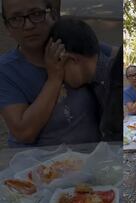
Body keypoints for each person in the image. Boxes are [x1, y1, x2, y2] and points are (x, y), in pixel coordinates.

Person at [0, 0, 106, 146]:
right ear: (8, 27)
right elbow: (24, 133)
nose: (29, 25)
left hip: (93, 159)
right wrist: (54, 79)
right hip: (38, 164)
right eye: (16, 19)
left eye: (36, 14)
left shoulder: (73, 43)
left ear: (53, 15)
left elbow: (112, 56)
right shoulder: (6, 70)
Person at [48, 17, 119, 141]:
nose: (59, 76)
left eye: (57, 66)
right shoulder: (100, 69)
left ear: (71, 59)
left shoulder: (112, 85)